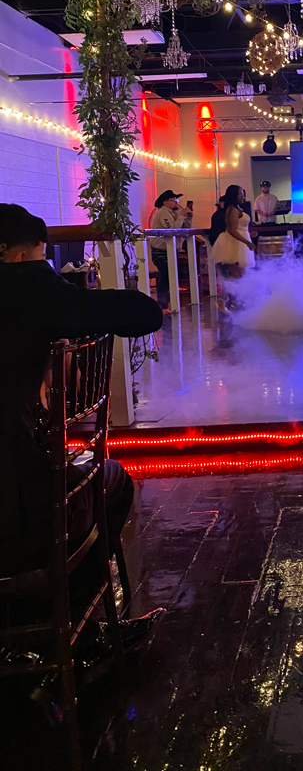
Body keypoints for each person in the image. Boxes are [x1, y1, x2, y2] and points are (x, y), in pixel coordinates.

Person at [0, 204, 164, 644]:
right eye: (38, 260)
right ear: (13, 257)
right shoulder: (26, 291)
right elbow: (145, 313)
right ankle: (75, 628)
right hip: (13, 514)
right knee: (111, 477)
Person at [211, 185, 255, 307]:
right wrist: (247, 242)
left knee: (239, 275)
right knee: (235, 275)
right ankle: (226, 301)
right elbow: (232, 230)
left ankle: (232, 301)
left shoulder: (238, 209)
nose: (243, 197)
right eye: (240, 194)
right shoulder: (232, 210)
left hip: (240, 242)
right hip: (234, 243)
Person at [148, 189, 189, 310]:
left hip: (170, 250)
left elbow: (185, 229)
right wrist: (181, 215)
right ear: (165, 202)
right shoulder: (163, 213)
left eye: (177, 200)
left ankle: (165, 304)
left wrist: (189, 217)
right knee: (165, 276)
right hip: (161, 251)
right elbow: (172, 230)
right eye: (174, 200)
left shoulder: (173, 213)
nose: (177, 203)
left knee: (168, 276)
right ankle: (162, 305)